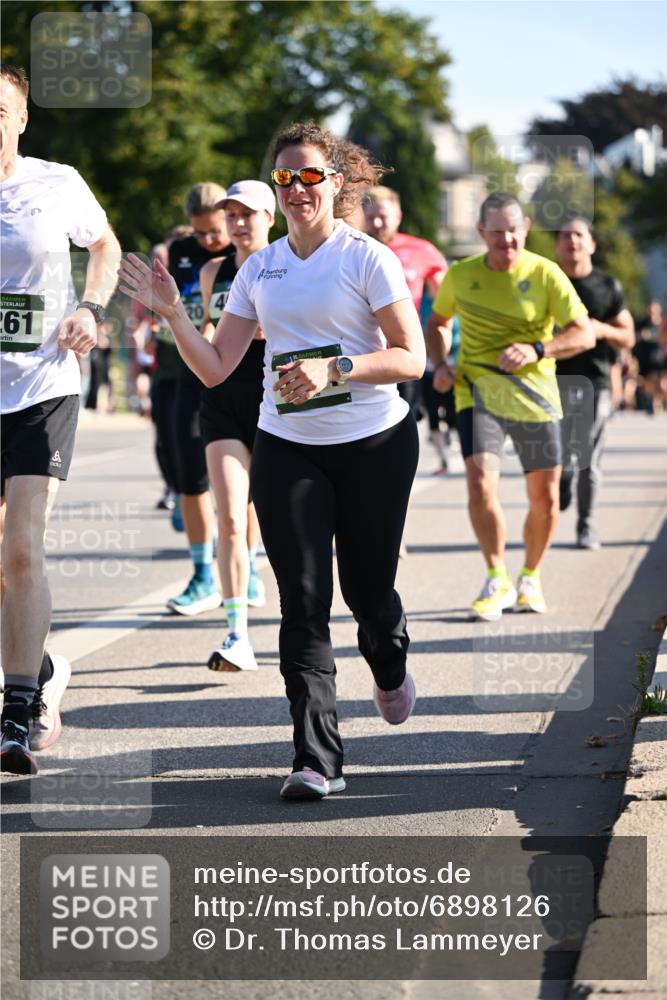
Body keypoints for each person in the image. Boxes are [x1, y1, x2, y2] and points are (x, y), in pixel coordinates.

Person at [118, 121, 426, 800]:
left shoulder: (366, 258)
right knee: (303, 603)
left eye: (309, 176)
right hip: (288, 449)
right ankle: (316, 758)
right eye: (284, 178)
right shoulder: (260, 267)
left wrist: (334, 369)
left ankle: (388, 660)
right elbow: (217, 367)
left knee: (368, 594)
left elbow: (412, 357)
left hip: (375, 444)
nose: (296, 190)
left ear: (335, 183)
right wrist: (173, 315)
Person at [0, 64, 121, 773]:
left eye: (2, 109)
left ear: (21, 117)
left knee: (22, 547)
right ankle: (42, 668)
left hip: (42, 384)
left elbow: (103, 245)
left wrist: (90, 308)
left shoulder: (58, 182)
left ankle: (16, 710)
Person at [426, 192, 593, 622]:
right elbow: (438, 323)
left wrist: (539, 347)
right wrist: (440, 363)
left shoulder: (545, 273)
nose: (507, 239)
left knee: (545, 500)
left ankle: (530, 576)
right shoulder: (461, 275)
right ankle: (496, 575)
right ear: (481, 232)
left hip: (535, 397)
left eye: (514, 229)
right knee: (480, 481)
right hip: (477, 391)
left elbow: (583, 333)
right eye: (497, 231)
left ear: (526, 227)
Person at [198, 180, 276, 672]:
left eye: (248, 213)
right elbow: (211, 332)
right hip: (223, 398)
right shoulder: (212, 271)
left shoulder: (288, 266)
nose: (238, 222)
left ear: (270, 217)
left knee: (281, 522)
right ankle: (236, 635)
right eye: (231, 213)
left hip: (277, 400)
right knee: (228, 517)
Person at [158, 184, 233, 615]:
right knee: (190, 475)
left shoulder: (248, 253)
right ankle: (204, 574)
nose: (210, 240)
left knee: (244, 483)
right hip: (190, 373)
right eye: (201, 233)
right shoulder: (181, 250)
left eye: (216, 230)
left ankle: (247, 565)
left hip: (238, 375)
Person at [555, 215, 635, 549]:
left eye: (578, 235)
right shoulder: (548, 280)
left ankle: (586, 526)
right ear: (557, 244)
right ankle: (562, 475)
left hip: (594, 381)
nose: (572, 242)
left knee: (589, 458)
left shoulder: (606, 286)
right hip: (551, 379)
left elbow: (627, 335)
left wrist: (598, 329)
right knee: (556, 454)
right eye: (565, 236)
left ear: (591, 243)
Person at [364, 186, 447, 453]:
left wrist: (442, 346)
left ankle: (398, 491)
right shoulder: (353, 248)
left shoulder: (421, 250)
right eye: (371, 216)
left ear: (398, 215)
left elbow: (447, 302)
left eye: (383, 216)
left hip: (402, 352)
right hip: (361, 353)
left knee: (400, 428)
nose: (377, 223)